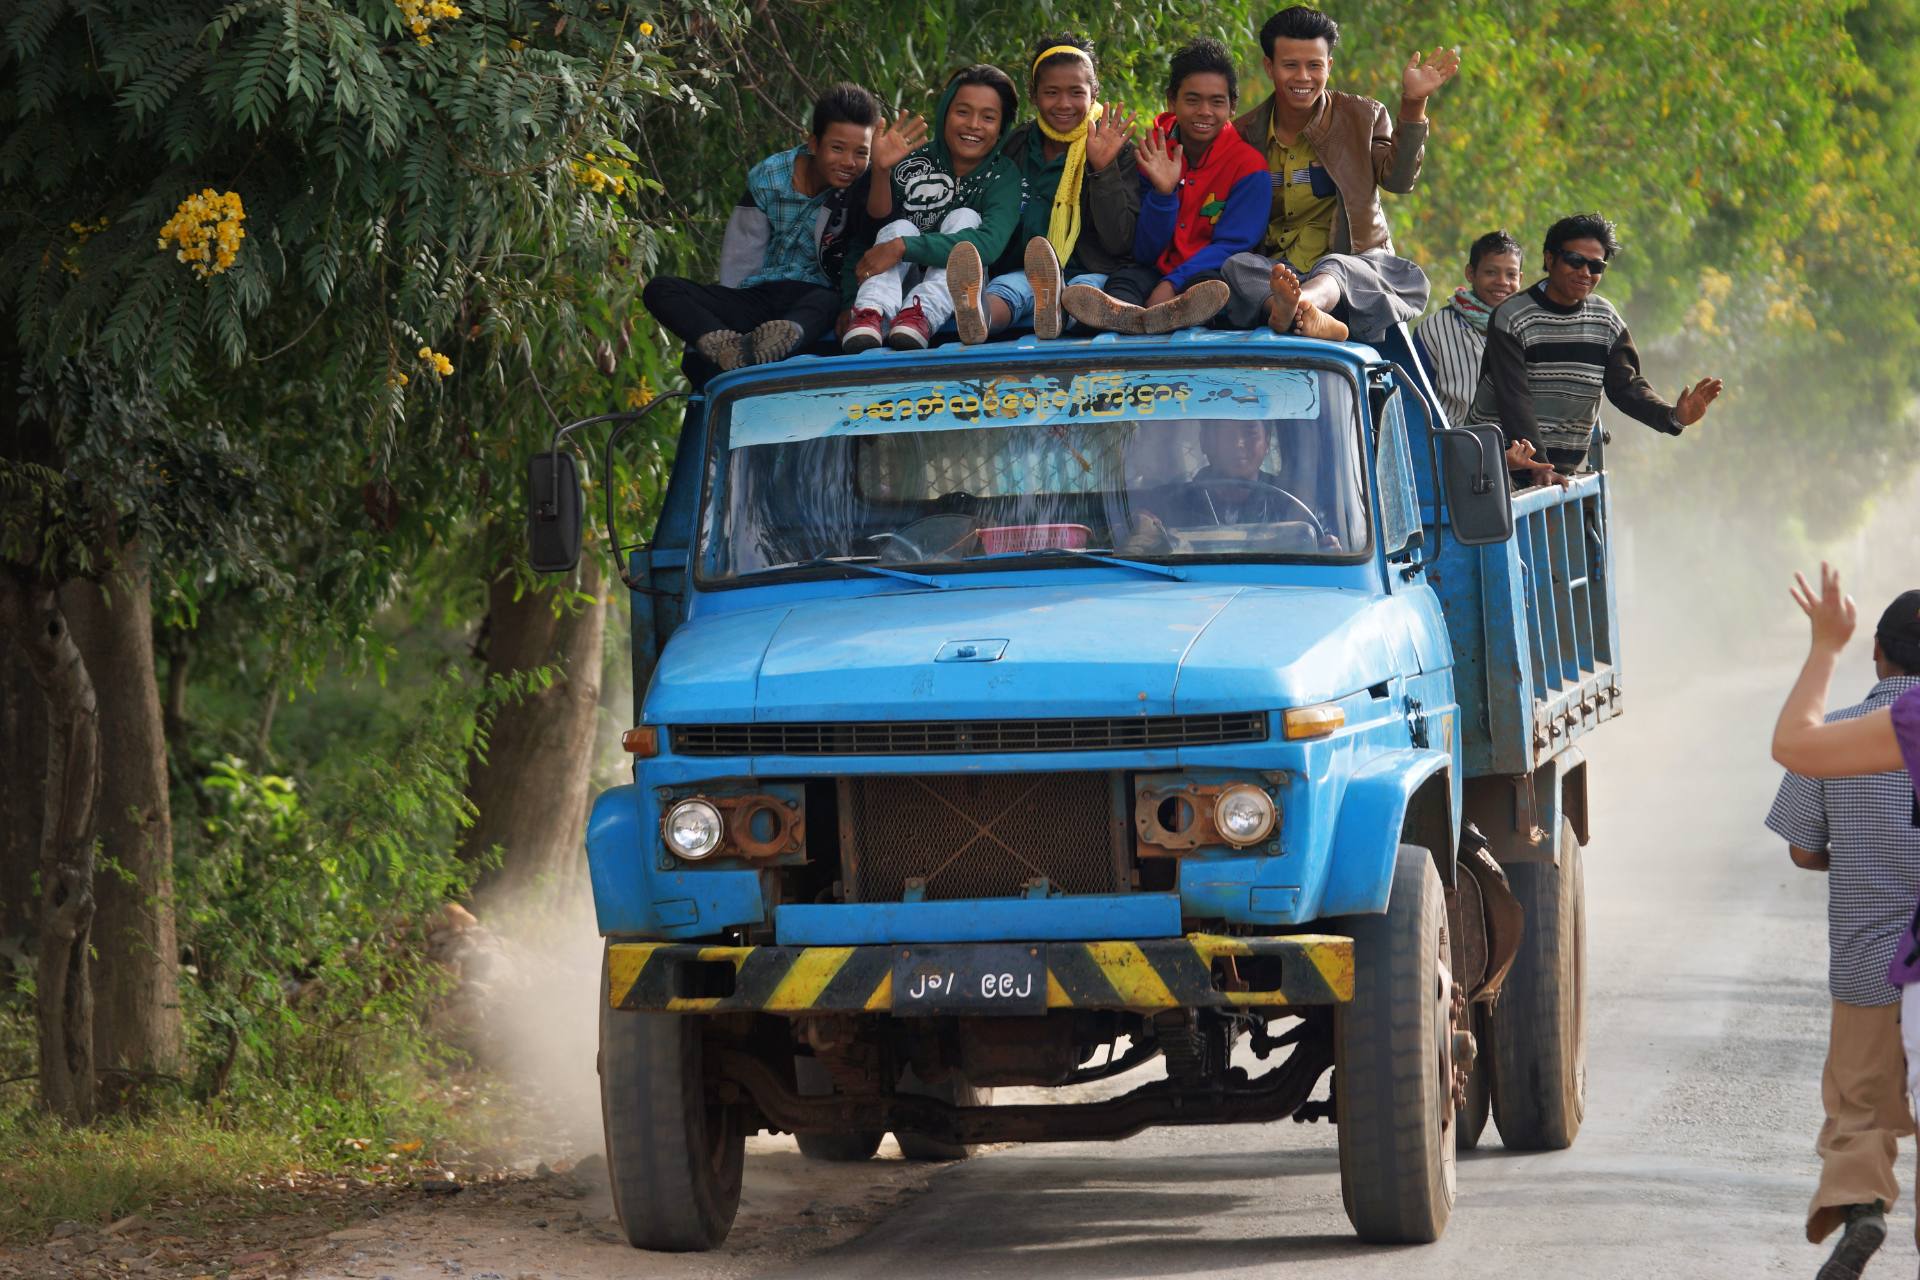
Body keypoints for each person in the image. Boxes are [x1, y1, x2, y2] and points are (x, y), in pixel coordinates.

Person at [1764, 585, 1920, 1276]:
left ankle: (1862, 1206)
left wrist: (1845, 851)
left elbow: (1801, 846)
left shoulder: (1848, 731)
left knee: (1859, 1102)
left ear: (1878, 654)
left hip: (1867, 959)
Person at [1216, 6, 1458, 343]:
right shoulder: (1244, 133)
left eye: (1314, 65)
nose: (1303, 77)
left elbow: (1400, 180)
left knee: (1340, 267)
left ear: (1328, 65)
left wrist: (1413, 104)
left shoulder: (1363, 116)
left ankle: (1301, 305)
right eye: (1290, 65)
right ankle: (1284, 308)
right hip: (1277, 271)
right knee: (1236, 266)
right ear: (1269, 67)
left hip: (1353, 267)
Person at [641, 84, 879, 386]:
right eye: (837, 148)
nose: (849, 162)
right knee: (660, 288)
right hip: (758, 295)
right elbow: (739, 259)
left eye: (861, 153)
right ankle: (726, 347)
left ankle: (779, 341)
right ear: (814, 144)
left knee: (827, 302)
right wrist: (725, 316)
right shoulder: (770, 178)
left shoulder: (866, 187)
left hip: (811, 301)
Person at [1465, 212, 1725, 487]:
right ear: (1549, 259)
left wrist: (1673, 417)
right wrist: (1538, 466)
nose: (1585, 273)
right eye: (1575, 261)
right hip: (1495, 467)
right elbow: (1514, 396)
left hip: (1557, 476)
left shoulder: (1605, 320)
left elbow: (1626, 387)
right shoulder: (1512, 316)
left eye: (1596, 266)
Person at [946, 36, 1141, 344]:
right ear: (1034, 95)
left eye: (1076, 92)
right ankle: (978, 319)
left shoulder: (1118, 149)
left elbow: (1120, 241)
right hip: (1026, 272)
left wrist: (1103, 170)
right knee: (1008, 290)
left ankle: (1063, 311)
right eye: (1051, 92)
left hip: (1091, 272)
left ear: (1094, 94)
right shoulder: (1016, 147)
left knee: (1083, 295)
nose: (1063, 104)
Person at [1059, 39, 1261, 335]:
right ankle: (1122, 316)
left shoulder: (1249, 166)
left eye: (1217, 101)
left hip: (1202, 273)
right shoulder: (1153, 151)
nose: (1204, 111)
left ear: (1233, 106)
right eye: (1192, 100)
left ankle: (1170, 315)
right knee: (1125, 281)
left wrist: (1172, 283)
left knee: (1210, 286)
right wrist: (1163, 195)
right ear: (1171, 101)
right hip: (1152, 267)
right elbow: (1143, 250)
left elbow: (1232, 246)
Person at [842, 66, 1022, 352]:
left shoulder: (1004, 176)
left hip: (960, 297)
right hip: (894, 291)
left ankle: (921, 315)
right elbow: (868, 236)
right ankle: (869, 313)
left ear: (1002, 127)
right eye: (963, 112)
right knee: (900, 227)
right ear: (945, 114)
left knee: (965, 218)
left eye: (988, 117)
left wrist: (903, 247)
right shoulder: (911, 160)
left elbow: (988, 245)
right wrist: (880, 171)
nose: (974, 124)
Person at [1413, 229, 1522, 425]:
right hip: (1454, 447)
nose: (1502, 282)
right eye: (1491, 272)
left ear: (1520, 279)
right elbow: (1414, 400)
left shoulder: (1530, 329)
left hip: (1519, 449)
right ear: (1470, 273)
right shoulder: (1434, 329)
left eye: (1511, 274)